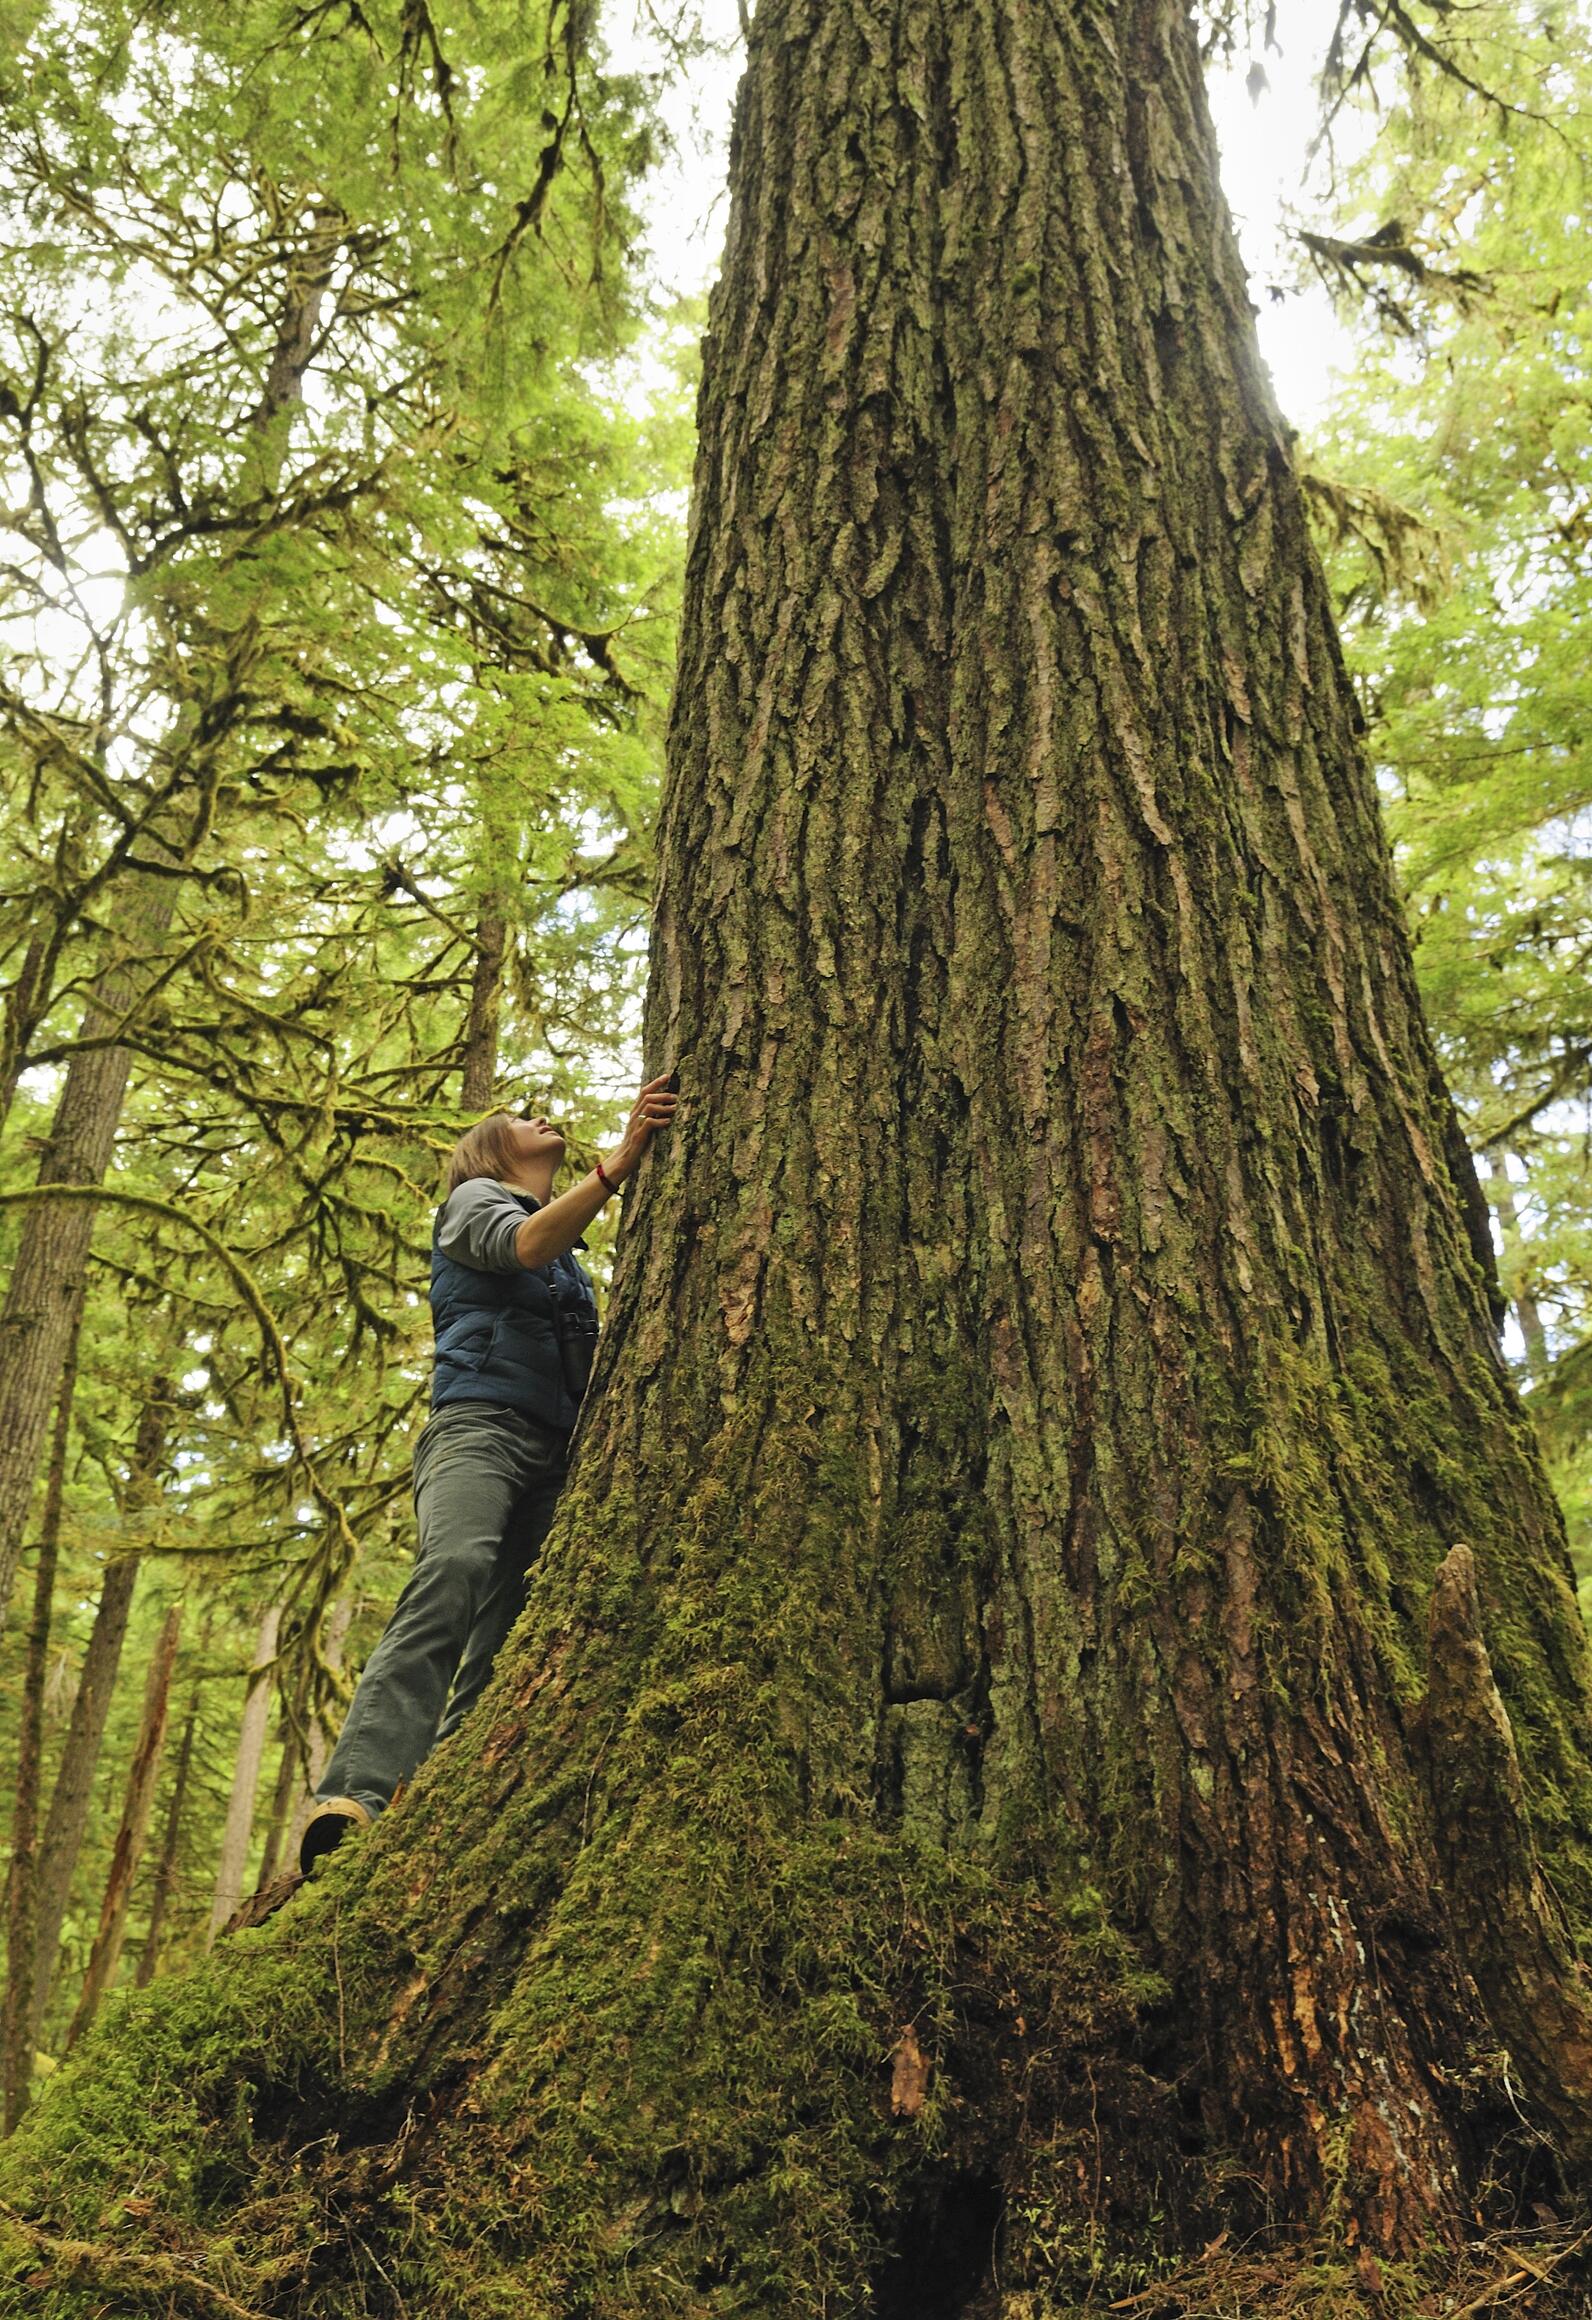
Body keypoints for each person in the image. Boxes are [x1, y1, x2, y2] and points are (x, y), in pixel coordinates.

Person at [297, 1072, 679, 1873]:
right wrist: (622, 1159)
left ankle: (440, 1796)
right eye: (521, 1116)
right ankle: (358, 1793)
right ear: (492, 1152)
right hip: (480, 1429)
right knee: (455, 1566)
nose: (542, 1117)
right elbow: (526, 1243)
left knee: (510, 1632)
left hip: (556, 1455)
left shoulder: (568, 1265)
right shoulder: (474, 1201)